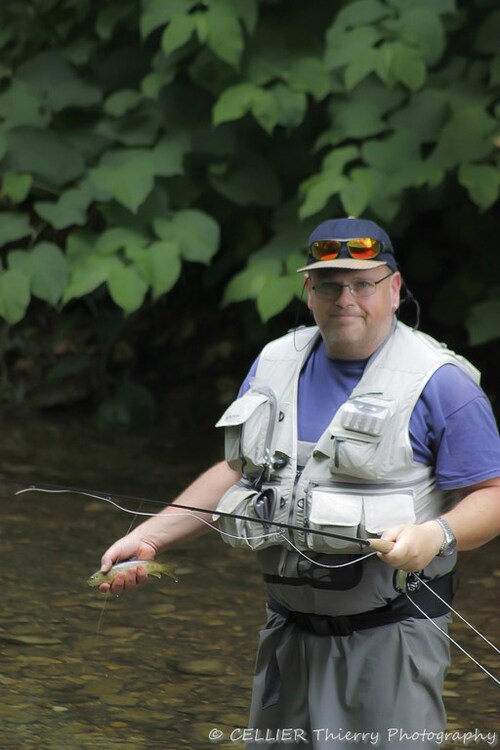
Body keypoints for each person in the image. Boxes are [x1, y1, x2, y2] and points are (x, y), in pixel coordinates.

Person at [98, 217, 500, 748]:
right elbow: (237, 471)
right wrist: (151, 536)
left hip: (390, 638)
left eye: (363, 283)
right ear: (308, 291)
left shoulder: (441, 383)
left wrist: (436, 537)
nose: (345, 298)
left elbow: (491, 497)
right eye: (329, 284)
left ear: (395, 289)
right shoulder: (274, 362)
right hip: (286, 636)